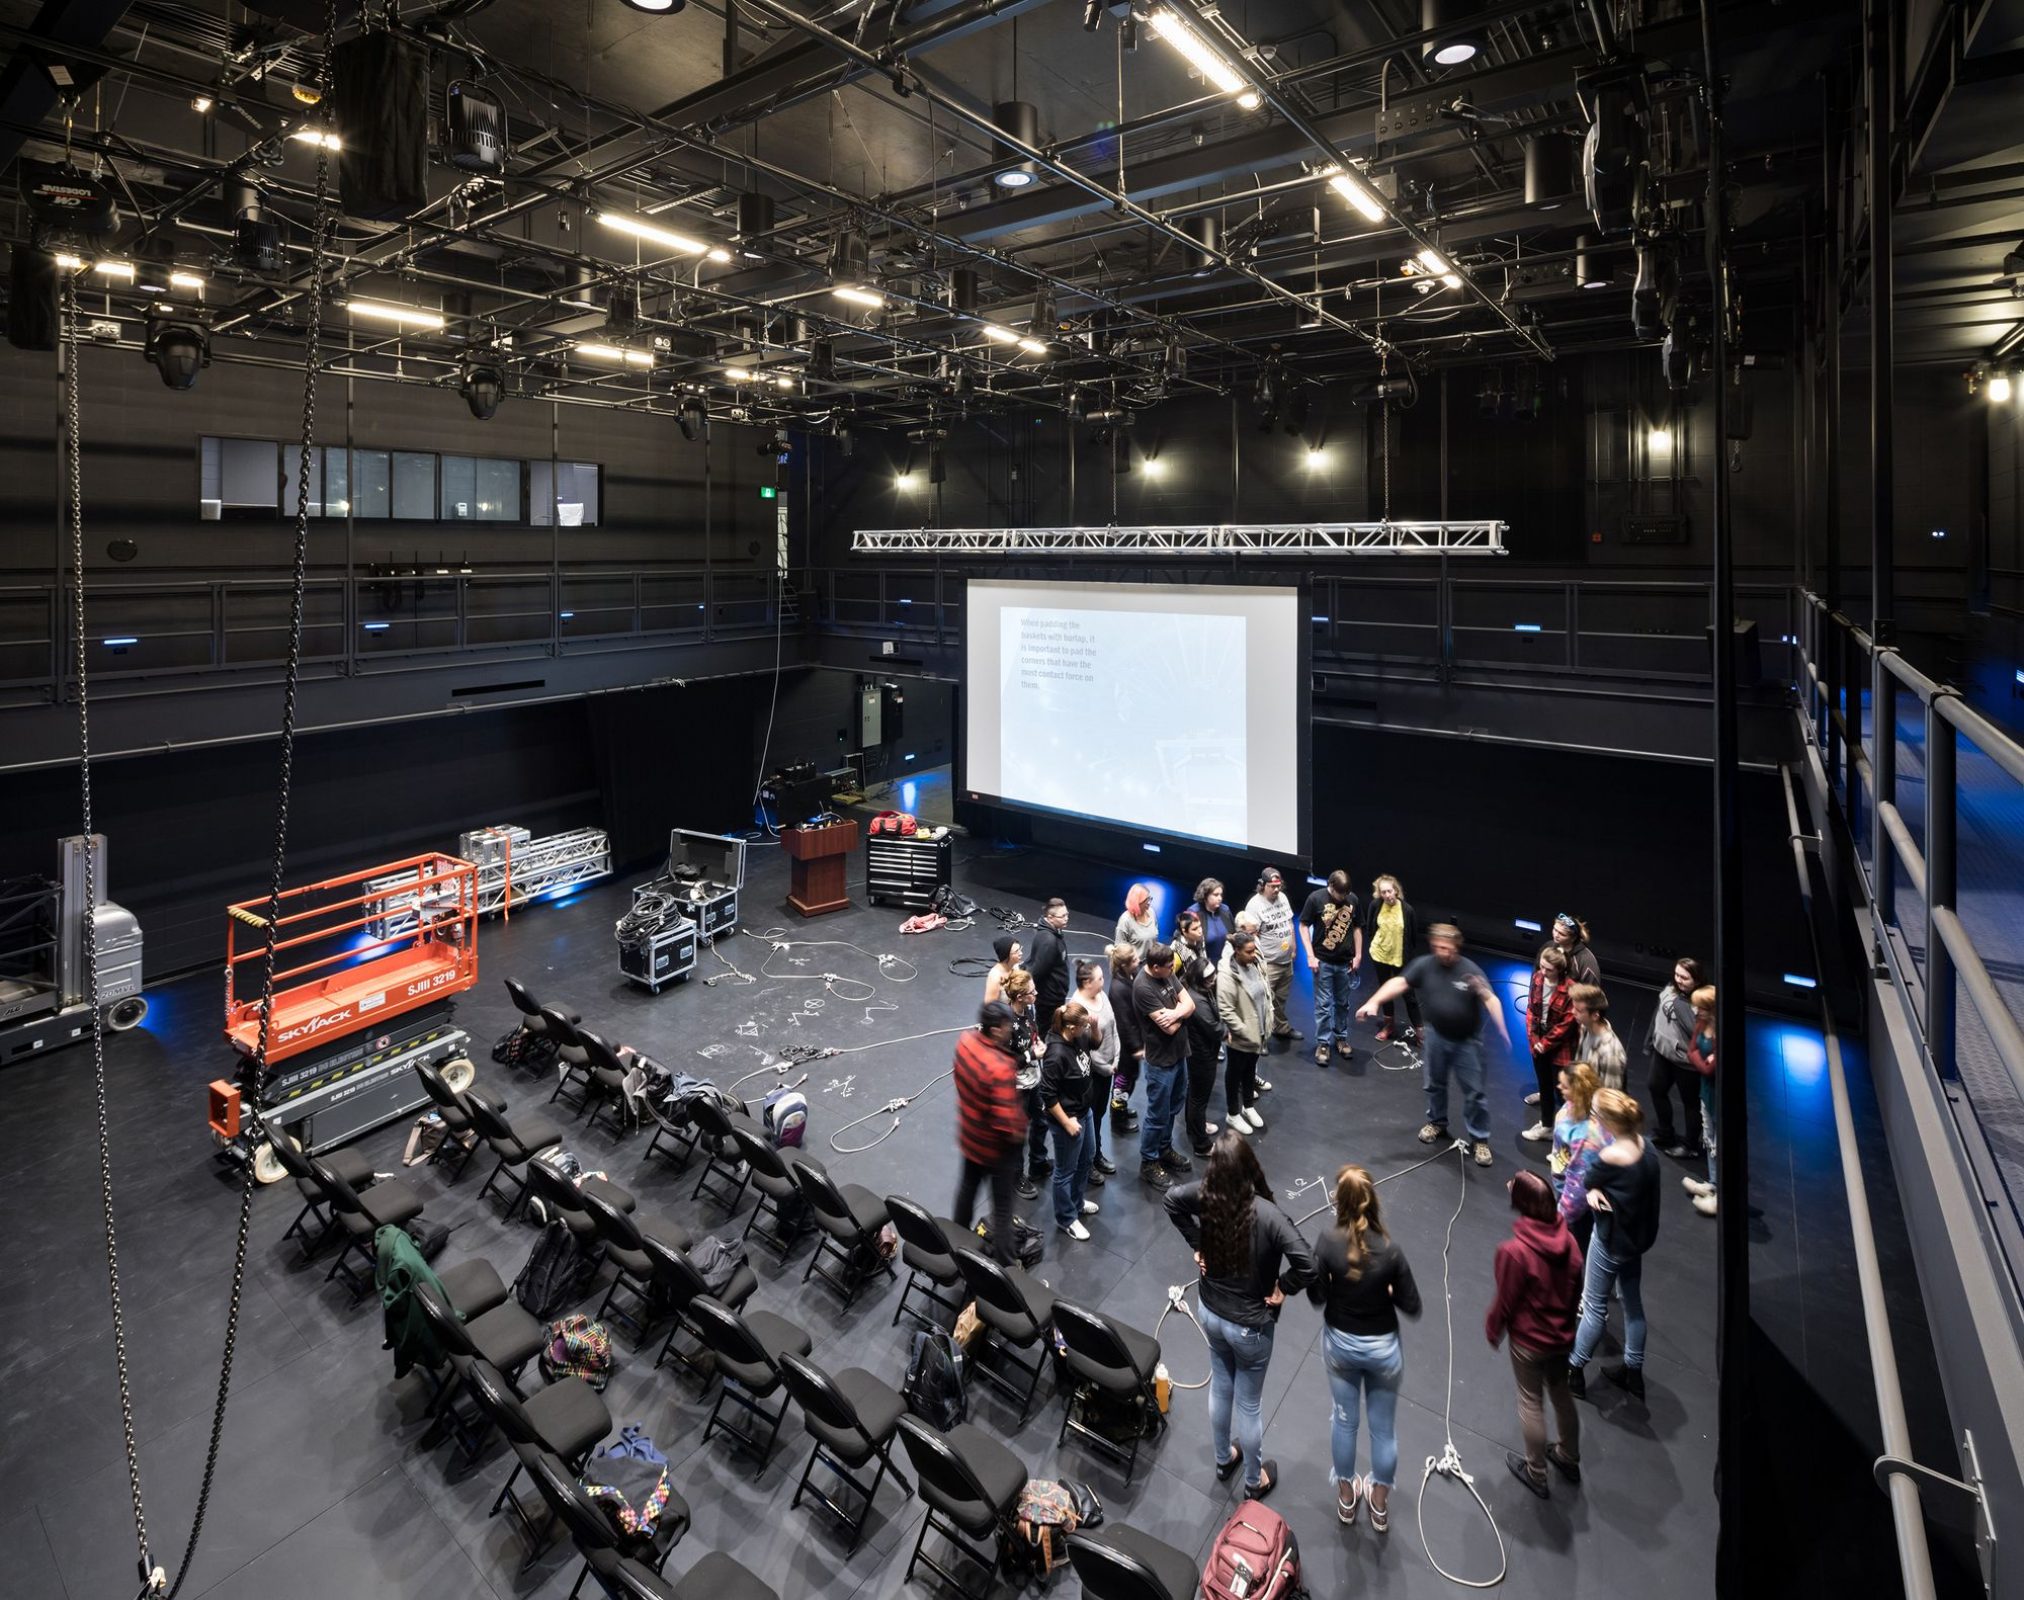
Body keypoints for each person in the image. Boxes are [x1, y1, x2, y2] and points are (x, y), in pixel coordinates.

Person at [1164, 1133, 1318, 1499]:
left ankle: (1223, 1459)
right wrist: (1284, 1287)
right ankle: (1253, 1481)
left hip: (1211, 1314)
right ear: (1250, 1166)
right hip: (1249, 1327)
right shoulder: (1269, 1215)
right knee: (1248, 1404)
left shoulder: (1206, 1197)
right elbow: (1309, 1265)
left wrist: (1196, 1243)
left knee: (1220, 1384)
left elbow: (1171, 1200)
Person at [1309, 1164, 1420, 1529]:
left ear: (1338, 1203)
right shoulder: (1390, 1250)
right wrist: (1387, 1290)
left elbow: (1316, 1296)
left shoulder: (1326, 1242)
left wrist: (1331, 1281)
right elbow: (1412, 1305)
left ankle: (1345, 1500)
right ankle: (1379, 1506)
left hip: (1341, 1347)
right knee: (1383, 1430)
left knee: (1343, 1421)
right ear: (1373, 1201)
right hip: (1383, 1352)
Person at [1359, 924, 1510, 1167]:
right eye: (1438, 947)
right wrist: (1374, 1001)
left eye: (1447, 948)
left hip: (1466, 1043)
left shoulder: (1469, 970)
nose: (1442, 952)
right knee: (1434, 1085)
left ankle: (1480, 1139)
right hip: (1436, 1037)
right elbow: (1399, 983)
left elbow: (1490, 998)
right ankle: (1437, 1123)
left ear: (1456, 948)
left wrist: (1502, 1027)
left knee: (1474, 1093)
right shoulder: (1425, 965)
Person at [1486, 1170, 1583, 1499]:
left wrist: (1493, 1329)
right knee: (1561, 1393)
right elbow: (1576, 1290)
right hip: (1562, 1338)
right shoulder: (1570, 1242)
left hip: (1529, 1343)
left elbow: (1505, 1301)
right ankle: (1568, 1455)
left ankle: (1537, 1472)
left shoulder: (1514, 1252)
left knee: (1530, 1402)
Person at [1568, 1088, 1662, 1402]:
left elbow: (1588, 1178)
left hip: (1610, 1242)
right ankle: (1633, 1373)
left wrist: (1593, 1192)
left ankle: (1574, 1370)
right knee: (1632, 1306)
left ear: (1606, 1121)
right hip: (1635, 1242)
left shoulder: (1611, 1156)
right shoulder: (1647, 1149)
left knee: (1594, 1307)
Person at [952, 1001, 1028, 1266]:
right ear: (996, 1030)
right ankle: (1007, 1265)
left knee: (966, 1191)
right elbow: (1008, 1122)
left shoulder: (965, 1042)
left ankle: (956, 1243)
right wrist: (1020, 1135)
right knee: (1003, 1210)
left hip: (970, 1136)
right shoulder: (1000, 1066)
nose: (1010, 1030)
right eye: (1007, 1026)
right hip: (996, 1150)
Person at [1132, 942, 1195, 1190]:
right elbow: (1168, 1027)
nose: (1173, 969)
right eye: (1169, 967)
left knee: (1173, 1107)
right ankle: (1149, 1161)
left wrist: (1178, 1012)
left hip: (1180, 1054)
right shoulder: (1143, 988)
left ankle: (1164, 1148)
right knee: (1157, 1114)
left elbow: (1191, 1004)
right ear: (1155, 967)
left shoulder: (1167, 975)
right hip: (1160, 1062)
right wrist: (1182, 1012)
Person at [1040, 1002, 1101, 1240]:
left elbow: (1095, 1043)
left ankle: (1076, 1202)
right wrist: (1066, 1123)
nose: (1087, 1029)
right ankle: (1066, 1218)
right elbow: (1047, 1094)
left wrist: (1094, 1027)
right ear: (1072, 1027)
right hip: (1068, 1119)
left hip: (1084, 1111)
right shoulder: (1056, 1055)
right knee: (1065, 1170)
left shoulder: (1080, 1036)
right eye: (1084, 1026)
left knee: (1086, 1159)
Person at [1174, 908, 1225, 1155]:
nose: (1214, 981)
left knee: (1195, 1095)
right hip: (1201, 1053)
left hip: (1202, 1050)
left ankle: (1195, 1128)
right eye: (1211, 978)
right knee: (1198, 1096)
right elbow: (1213, 1027)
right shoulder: (1197, 1000)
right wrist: (1225, 1031)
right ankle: (1201, 1143)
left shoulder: (1200, 992)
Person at [1299, 869, 1362, 1066]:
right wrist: (1310, 955)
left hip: (1345, 962)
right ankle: (1323, 1043)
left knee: (1342, 1003)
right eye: (1339, 894)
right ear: (1331, 887)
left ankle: (1341, 1038)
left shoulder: (1353, 900)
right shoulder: (1315, 898)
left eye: (1345, 894)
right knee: (1323, 1005)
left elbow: (1358, 927)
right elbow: (1303, 925)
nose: (1342, 898)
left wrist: (1358, 954)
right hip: (1323, 961)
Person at [1216, 930, 1273, 1134]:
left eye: (1254, 949)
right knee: (1234, 1074)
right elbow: (1226, 1010)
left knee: (1250, 1071)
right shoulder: (1227, 975)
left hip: (1258, 1032)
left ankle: (1248, 1107)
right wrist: (1244, 1031)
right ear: (1237, 951)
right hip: (1241, 1037)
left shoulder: (1254, 964)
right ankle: (1232, 1113)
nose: (1254, 954)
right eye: (1249, 951)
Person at [1648, 957, 1705, 1159]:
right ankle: (1665, 1132)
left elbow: (1696, 1030)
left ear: (1696, 980)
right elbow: (1658, 1014)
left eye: (1684, 977)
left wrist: (1682, 1004)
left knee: (1690, 1103)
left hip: (1686, 1063)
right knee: (1656, 1088)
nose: (1678, 980)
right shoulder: (1671, 989)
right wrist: (1650, 1040)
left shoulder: (1699, 1001)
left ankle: (1690, 1145)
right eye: (1677, 975)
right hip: (1662, 1053)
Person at [1002, 970, 1052, 1199]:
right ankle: (1016, 1176)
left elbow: (1032, 1035)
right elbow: (1005, 1062)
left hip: (1034, 1080)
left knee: (1042, 1122)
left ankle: (1038, 1163)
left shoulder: (1029, 1010)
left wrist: (1037, 1043)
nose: (1037, 993)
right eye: (1032, 992)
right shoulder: (1006, 1024)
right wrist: (1033, 1055)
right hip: (1016, 1088)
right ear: (1020, 997)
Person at [1522, 946, 1579, 1142]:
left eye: (1549, 969)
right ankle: (1546, 1125)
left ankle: (1569, 1135)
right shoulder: (1537, 978)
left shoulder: (1571, 989)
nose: (1543, 972)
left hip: (1560, 1046)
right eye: (1542, 967)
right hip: (1539, 1042)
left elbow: (1568, 1024)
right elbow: (1531, 1009)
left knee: (1562, 1091)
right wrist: (1534, 1039)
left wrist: (1545, 1044)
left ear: (1560, 970)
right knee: (1544, 1086)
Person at [1551, 1062, 1607, 1258]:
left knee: (1576, 1252)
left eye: (1564, 1086)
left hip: (1577, 1205)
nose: (1559, 1088)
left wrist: (1562, 1215)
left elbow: (1579, 1183)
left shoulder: (1587, 1135)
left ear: (1578, 1091)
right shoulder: (1571, 1107)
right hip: (1564, 1187)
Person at [1244, 868, 1302, 1045]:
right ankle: (1259, 1038)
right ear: (1262, 885)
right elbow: (1250, 935)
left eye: (1278, 886)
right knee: (1262, 1002)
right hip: (1268, 963)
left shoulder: (1282, 898)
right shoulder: (1254, 905)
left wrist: (1294, 947)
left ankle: (1280, 1027)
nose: (1276, 890)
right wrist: (1257, 961)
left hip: (1285, 961)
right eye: (1272, 886)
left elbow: (1289, 923)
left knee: (1280, 999)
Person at [1075, 956, 1120, 1182]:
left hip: (1108, 1068)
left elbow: (1113, 1027)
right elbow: (1086, 1049)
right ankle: (1087, 1161)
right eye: (1100, 978)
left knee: (1099, 1115)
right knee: (1090, 1117)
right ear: (1086, 983)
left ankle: (1096, 1154)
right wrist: (1105, 1067)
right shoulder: (1078, 1009)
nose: (1104, 980)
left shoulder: (1101, 996)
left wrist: (1117, 1057)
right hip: (1094, 1073)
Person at [1360, 875, 1421, 1043]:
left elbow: (1413, 938)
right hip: (1380, 956)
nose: (1387, 895)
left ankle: (1420, 1031)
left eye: (1389, 891)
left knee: (1409, 995)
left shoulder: (1407, 910)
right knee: (1385, 992)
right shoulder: (1375, 905)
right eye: (1383, 892)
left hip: (1401, 958)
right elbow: (1371, 929)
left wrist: (1407, 955)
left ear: (1396, 890)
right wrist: (1376, 946)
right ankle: (1389, 1026)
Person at [1683, 984, 1719, 1217]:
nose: (1695, 1011)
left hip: (1719, 1097)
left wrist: (1702, 1062)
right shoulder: (1701, 1024)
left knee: (1719, 1144)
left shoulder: (1722, 1034)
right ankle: (1713, 1183)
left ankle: (1721, 1196)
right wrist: (1703, 1061)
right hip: (1706, 1093)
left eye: (1700, 1008)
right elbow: (1692, 1052)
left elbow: (1709, 1069)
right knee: (1709, 1140)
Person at [1106, 944, 1144, 1134]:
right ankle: (1117, 1119)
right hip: (1124, 1045)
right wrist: (1136, 1046)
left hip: (1132, 1041)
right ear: (1124, 965)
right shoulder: (1118, 988)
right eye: (1135, 960)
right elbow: (1124, 1023)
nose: (1138, 962)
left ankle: (1121, 1108)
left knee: (1132, 1077)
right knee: (1122, 1081)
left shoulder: (1130, 975)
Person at [1569, 984, 1626, 1092]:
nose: (1573, 1012)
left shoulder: (1610, 1054)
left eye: (1579, 1010)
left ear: (1595, 1016)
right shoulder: (1585, 1027)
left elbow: (1609, 1097)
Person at [1027, 898, 1071, 1032]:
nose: (1066, 918)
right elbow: (1038, 972)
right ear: (1050, 917)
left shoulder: (1055, 931)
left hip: (1054, 996)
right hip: (1049, 1000)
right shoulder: (1049, 941)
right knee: (1047, 1030)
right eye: (1062, 916)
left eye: (1067, 914)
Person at [1190, 878, 1232, 968]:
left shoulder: (1225, 910)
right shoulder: (1194, 912)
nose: (1220, 898)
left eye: (1221, 895)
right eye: (1216, 895)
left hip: (1227, 963)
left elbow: (1233, 933)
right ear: (1205, 895)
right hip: (1205, 965)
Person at [1114, 884, 1160, 965]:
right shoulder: (1125, 920)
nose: (1149, 903)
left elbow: (1154, 938)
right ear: (1137, 902)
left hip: (1150, 962)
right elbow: (1119, 948)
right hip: (1133, 965)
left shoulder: (1151, 913)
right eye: (1146, 900)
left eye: (1150, 898)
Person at [1551, 913, 1601, 987]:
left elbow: (1592, 992)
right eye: (1555, 930)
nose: (1556, 935)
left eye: (1562, 934)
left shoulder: (1586, 961)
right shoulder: (1549, 946)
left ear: (1573, 938)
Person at [982, 934, 1023, 1004]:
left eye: (1020, 949)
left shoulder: (1015, 966)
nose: (1021, 953)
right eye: (1016, 952)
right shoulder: (995, 977)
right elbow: (990, 1006)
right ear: (1006, 956)